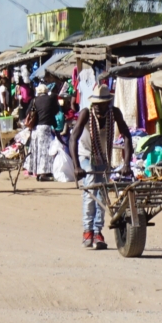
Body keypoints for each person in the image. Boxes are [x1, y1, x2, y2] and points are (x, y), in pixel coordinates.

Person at [70, 84, 133, 248]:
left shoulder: (114, 113)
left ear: (108, 103)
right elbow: (73, 139)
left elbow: (126, 136)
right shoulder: (85, 113)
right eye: (96, 104)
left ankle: (98, 231)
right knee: (90, 191)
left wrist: (126, 163)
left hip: (104, 157)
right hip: (86, 156)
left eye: (101, 104)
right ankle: (87, 231)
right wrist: (76, 166)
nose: (98, 107)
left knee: (102, 195)